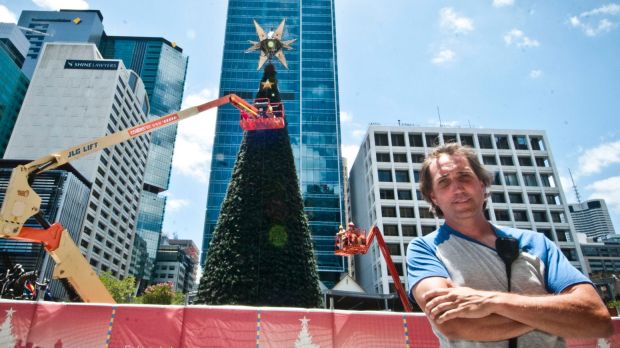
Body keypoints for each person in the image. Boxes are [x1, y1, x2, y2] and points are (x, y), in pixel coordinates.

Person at [406, 143, 612, 347]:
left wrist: (491, 302)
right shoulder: (425, 249)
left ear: (482, 184)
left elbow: (596, 319)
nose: (457, 188)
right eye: (444, 182)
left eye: (464, 177)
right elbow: (453, 323)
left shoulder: (537, 243)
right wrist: (550, 315)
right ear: (433, 197)